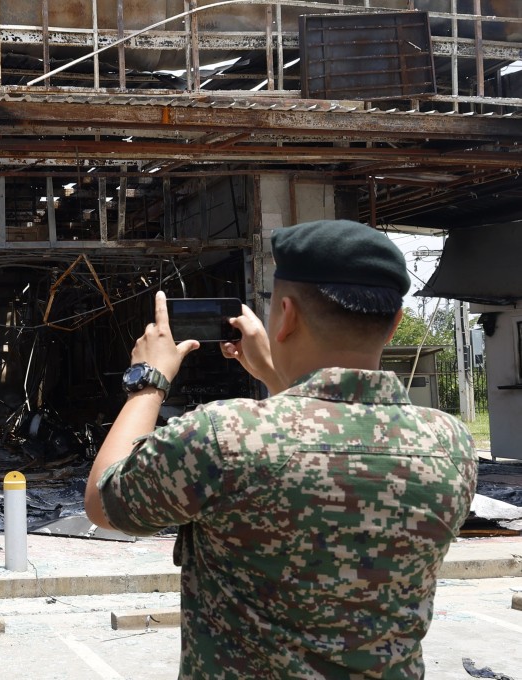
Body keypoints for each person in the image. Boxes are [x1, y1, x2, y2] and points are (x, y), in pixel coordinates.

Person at [85, 219, 477, 679]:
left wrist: (148, 382)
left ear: (286, 316)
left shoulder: (223, 433)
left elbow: (104, 502)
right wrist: (275, 376)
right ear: (395, 324)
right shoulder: (451, 444)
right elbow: (321, 434)